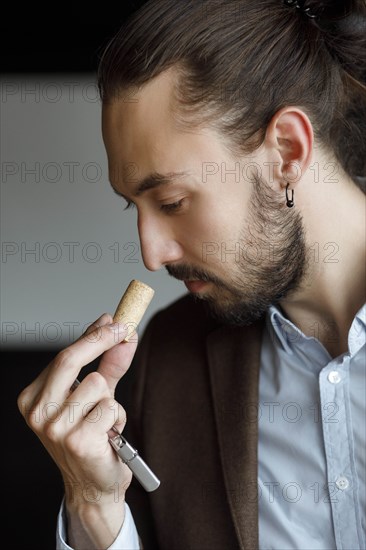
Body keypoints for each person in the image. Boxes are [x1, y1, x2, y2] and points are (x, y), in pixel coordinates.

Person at [17, 0, 366, 548]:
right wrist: (94, 503)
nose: (151, 255)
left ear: (288, 152)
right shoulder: (170, 362)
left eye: (173, 201)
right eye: (135, 207)